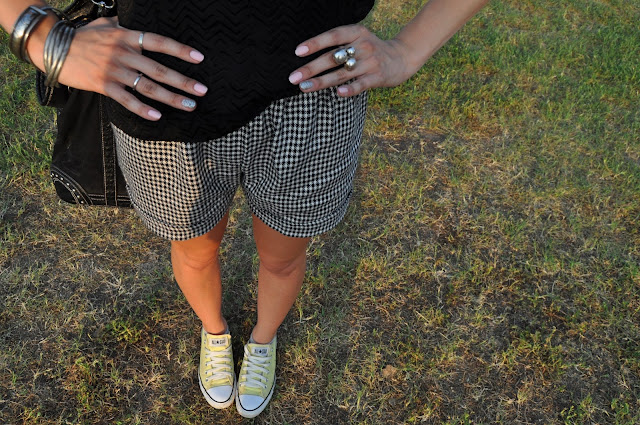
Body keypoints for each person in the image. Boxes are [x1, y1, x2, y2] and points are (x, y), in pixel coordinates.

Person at [1, 0, 489, 418]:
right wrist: (44, 38)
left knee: (282, 258)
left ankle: (262, 339)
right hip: (163, 93)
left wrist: (407, 51)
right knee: (194, 251)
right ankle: (215, 333)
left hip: (314, 95)